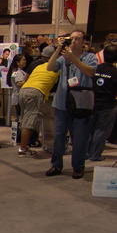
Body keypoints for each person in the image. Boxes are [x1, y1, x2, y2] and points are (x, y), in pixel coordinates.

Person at [46, 30, 97, 179]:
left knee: (79, 138)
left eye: (77, 39)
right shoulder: (63, 58)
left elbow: (90, 72)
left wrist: (73, 59)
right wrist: (58, 49)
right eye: (71, 38)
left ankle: (78, 166)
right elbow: (50, 67)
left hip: (81, 103)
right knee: (59, 136)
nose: (73, 41)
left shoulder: (90, 57)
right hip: (62, 103)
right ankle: (56, 164)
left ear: (83, 42)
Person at [17, 47, 59, 157]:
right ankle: (22, 149)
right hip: (35, 93)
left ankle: (24, 146)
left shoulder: (39, 66)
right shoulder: (57, 68)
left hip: (24, 90)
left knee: (25, 119)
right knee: (29, 122)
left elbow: (28, 79)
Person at [87, 45, 117, 161]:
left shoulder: (95, 68)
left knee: (90, 129)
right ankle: (95, 154)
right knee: (102, 130)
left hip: (92, 103)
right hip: (108, 105)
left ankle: (86, 152)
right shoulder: (115, 72)